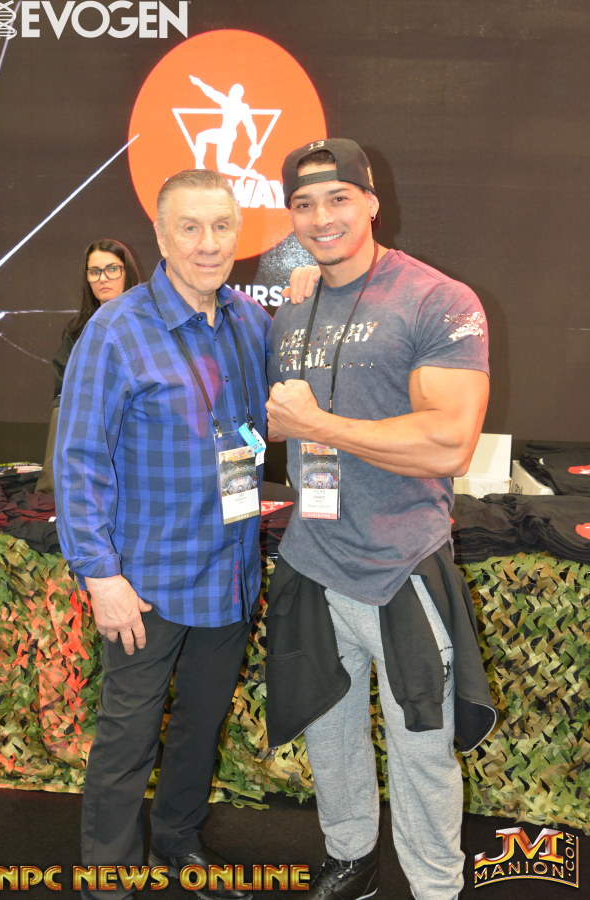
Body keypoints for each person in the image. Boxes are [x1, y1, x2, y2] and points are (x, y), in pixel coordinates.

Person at [265, 139, 497, 900]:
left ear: (370, 201)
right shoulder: (294, 306)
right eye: (304, 204)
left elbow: (449, 442)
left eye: (338, 198)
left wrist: (318, 427)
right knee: (329, 733)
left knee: (422, 746)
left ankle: (435, 886)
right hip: (312, 558)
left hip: (399, 567)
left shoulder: (437, 299)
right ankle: (352, 857)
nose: (322, 217)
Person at [54, 170, 271, 900]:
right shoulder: (115, 331)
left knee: (199, 729)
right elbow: (79, 459)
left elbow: (275, 417)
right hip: (144, 585)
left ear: (238, 232)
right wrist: (101, 576)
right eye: (190, 227)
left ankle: (179, 842)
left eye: (221, 226)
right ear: (161, 235)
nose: (208, 244)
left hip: (229, 574)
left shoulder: (250, 322)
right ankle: (109, 879)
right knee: (127, 740)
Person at [37, 239, 141, 493]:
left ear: (127, 272)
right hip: (86, 425)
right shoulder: (77, 331)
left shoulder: (148, 324)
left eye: (112, 269)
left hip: (136, 424)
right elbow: (64, 391)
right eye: (94, 271)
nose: (103, 278)